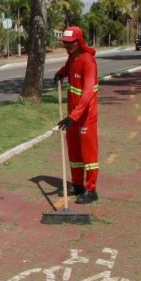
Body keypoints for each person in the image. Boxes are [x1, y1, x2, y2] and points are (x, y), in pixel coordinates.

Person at [54, 25, 100, 204]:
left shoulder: (88, 61)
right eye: (65, 43)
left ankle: (91, 189)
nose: (67, 46)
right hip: (73, 115)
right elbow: (68, 68)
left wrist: (74, 116)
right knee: (73, 150)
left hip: (85, 115)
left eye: (70, 43)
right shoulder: (72, 57)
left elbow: (88, 93)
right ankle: (77, 184)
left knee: (88, 152)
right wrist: (60, 74)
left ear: (79, 41)